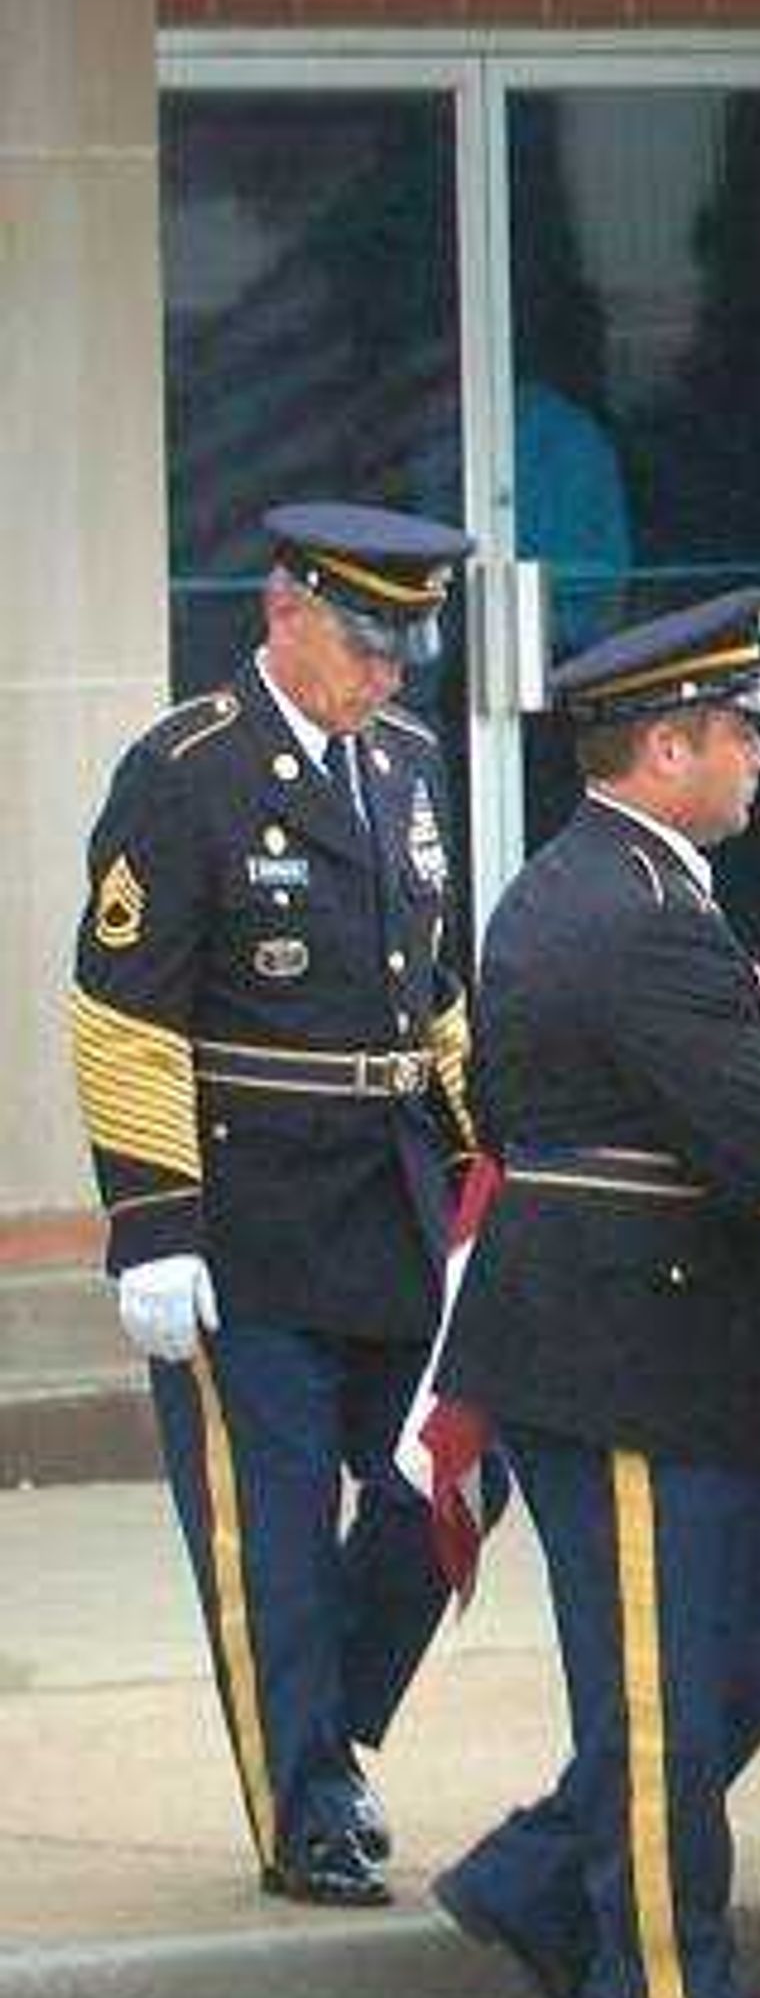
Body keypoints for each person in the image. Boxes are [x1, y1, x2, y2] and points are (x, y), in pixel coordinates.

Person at [431, 589, 760, 1998]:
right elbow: (751, 1132)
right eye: (742, 740)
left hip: (656, 1332)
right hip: (625, 1345)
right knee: (662, 1679)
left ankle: (534, 1878)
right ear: (668, 746)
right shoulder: (634, 915)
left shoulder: (606, 888)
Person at [70, 502, 485, 1912]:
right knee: (276, 1533)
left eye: (407, 647)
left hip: (393, 1198)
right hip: (246, 1213)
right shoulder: (185, 773)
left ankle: (335, 1730)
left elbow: (436, 1000)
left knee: (450, 1480)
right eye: (368, 641)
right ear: (286, 610)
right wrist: (153, 1221)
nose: (389, 673)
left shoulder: (411, 765)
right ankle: (304, 1804)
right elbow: (124, 1018)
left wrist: (500, 1167)